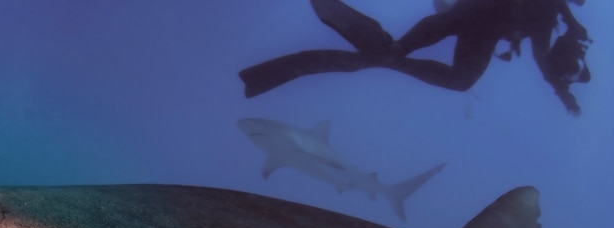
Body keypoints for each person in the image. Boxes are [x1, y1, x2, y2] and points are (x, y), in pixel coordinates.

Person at [240, 0, 592, 115]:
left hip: (465, 23)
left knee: (391, 56)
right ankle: (387, 53)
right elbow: (541, 54)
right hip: (465, 18)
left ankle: (385, 53)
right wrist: (563, 93)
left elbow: (542, 52)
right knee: (395, 56)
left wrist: (563, 90)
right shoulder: (551, 10)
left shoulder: (553, 11)